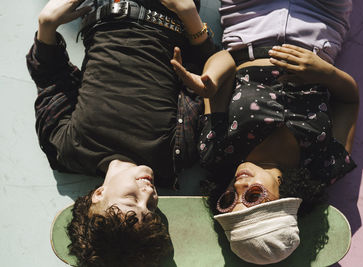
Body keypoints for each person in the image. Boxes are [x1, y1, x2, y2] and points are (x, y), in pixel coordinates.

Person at [26, 0, 221, 265]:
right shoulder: (174, 156)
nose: (149, 194)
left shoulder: (68, 149)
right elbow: (199, 80)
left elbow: (51, 80)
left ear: (98, 195)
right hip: (172, 13)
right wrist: (189, 16)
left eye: (132, 199)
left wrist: (46, 25)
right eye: (151, 209)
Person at [170, 0, 359, 264]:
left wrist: (209, 81)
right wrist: (325, 73)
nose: (238, 185)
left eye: (228, 199)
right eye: (253, 196)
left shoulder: (218, 150)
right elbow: (350, 99)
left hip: (246, 17)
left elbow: (227, 57)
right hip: (322, 20)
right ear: (286, 199)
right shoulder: (323, 165)